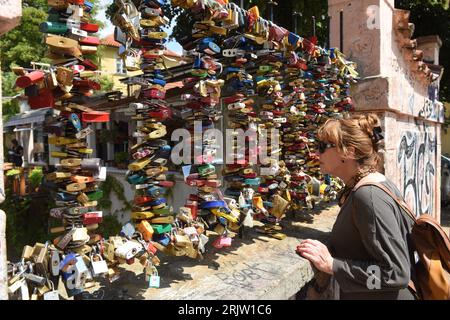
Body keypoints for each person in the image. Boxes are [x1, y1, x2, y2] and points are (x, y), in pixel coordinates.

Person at [296, 113, 416, 300]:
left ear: (349, 152)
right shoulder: (366, 187)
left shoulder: (368, 196)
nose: (316, 154)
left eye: (322, 147)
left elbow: (395, 274)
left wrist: (332, 266)